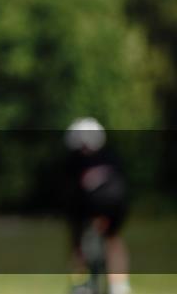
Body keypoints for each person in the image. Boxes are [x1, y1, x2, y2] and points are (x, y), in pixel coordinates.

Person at [64, 117, 132, 294]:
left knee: (80, 241)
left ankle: (82, 284)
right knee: (113, 239)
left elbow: (72, 194)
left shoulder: (74, 160)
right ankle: (119, 285)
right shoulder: (111, 156)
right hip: (114, 205)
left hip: (94, 207)